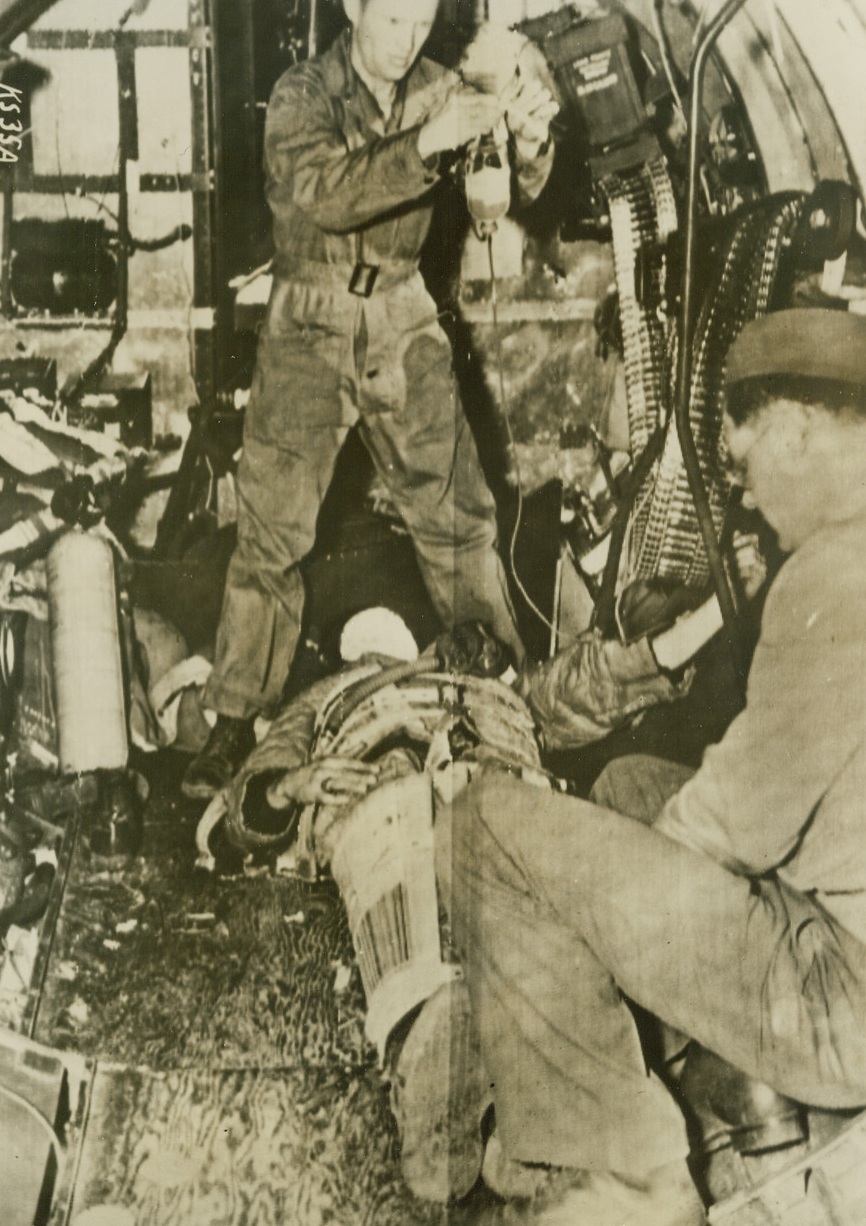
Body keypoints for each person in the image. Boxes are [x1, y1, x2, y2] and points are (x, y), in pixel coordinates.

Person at [433, 308, 866, 1224]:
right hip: (843, 931)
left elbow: (734, 826)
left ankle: (628, 1178)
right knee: (626, 786)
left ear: (796, 430)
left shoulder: (835, 573)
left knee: (487, 828)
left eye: (744, 464)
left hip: (840, 1002)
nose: (746, 496)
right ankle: (667, 1086)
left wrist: (594, 913)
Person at [182, 0, 558, 799]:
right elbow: (326, 193)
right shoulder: (302, 94)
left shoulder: (444, 88)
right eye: (391, 19)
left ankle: (503, 699)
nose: (407, 40)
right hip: (309, 313)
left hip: (402, 310)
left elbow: (511, 191)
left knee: (461, 521)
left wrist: (530, 140)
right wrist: (428, 141)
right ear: (352, 6)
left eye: (421, 21)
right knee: (272, 530)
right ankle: (234, 718)